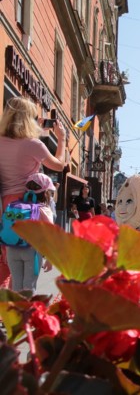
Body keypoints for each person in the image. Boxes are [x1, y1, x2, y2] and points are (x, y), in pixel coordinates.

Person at [0, 96, 66, 288]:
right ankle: (16, 311)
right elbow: (59, 165)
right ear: (28, 119)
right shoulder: (33, 145)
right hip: (27, 206)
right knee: (25, 261)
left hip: (4, 205)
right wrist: (61, 139)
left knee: (7, 256)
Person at [5, 173, 54, 292]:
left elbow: (7, 227)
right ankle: (28, 311)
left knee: (16, 286)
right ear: (45, 192)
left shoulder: (15, 206)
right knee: (29, 287)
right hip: (32, 251)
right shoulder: (43, 209)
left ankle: (17, 310)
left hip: (12, 249)